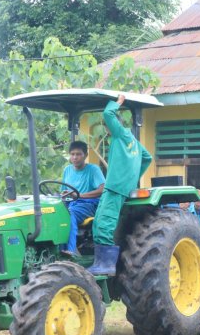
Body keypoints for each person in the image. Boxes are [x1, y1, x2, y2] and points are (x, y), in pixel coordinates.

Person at [89, 94, 153, 275]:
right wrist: (132, 178)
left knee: (104, 224)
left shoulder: (120, 133)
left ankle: (106, 265)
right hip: (118, 186)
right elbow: (147, 158)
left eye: (108, 126)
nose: (107, 128)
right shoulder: (134, 142)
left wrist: (118, 103)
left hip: (115, 187)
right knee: (98, 222)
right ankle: (99, 262)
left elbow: (108, 113)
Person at [60, 140, 105, 256]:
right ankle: (56, 250)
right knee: (54, 213)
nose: (75, 157)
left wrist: (79, 195)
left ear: (85, 155)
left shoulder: (93, 170)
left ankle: (70, 250)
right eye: (72, 154)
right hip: (71, 203)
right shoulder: (67, 170)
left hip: (88, 204)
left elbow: (102, 190)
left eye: (78, 154)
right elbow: (62, 192)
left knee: (69, 215)